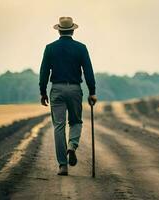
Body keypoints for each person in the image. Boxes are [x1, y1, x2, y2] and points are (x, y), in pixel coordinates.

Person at [39, 17, 97, 176]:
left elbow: (44, 72)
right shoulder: (81, 48)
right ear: (72, 30)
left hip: (56, 89)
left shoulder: (50, 48)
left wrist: (42, 92)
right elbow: (88, 71)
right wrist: (92, 91)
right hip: (74, 89)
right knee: (76, 121)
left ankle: (62, 166)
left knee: (58, 126)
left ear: (58, 30)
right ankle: (72, 146)